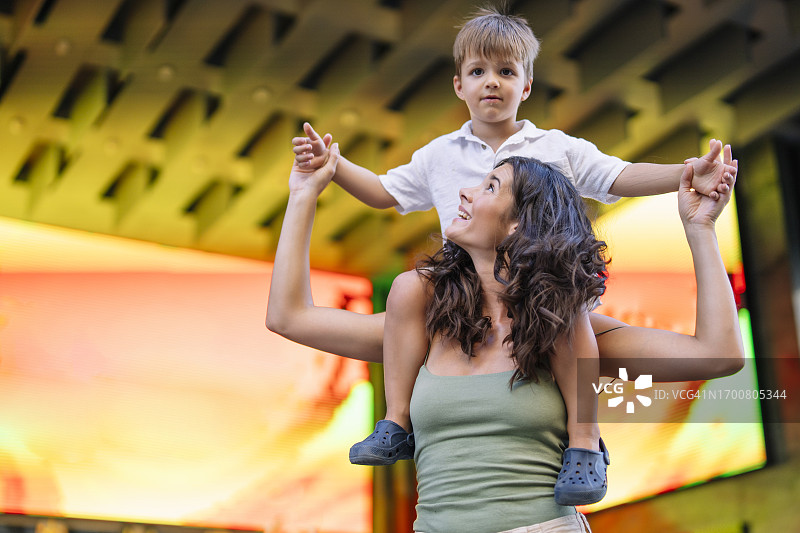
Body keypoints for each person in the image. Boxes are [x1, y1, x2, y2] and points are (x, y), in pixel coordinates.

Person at [288, 4, 739, 499]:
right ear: (458, 85)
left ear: (526, 86)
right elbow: (381, 193)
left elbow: (619, 174)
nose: (492, 83)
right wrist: (333, 164)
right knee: (407, 285)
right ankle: (396, 421)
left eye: (506, 72)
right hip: (460, 290)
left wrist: (686, 174)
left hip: (550, 291)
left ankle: (584, 442)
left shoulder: (556, 147)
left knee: (570, 316)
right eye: (478, 72)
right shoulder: (440, 160)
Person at [267, 144, 743, 533]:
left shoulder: (571, 330)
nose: (466, 193)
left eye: (490, 185)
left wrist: (700, 227)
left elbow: (719, 355)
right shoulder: (422, 326)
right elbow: (289, 317)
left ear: (520, 224)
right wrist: (304, 192)